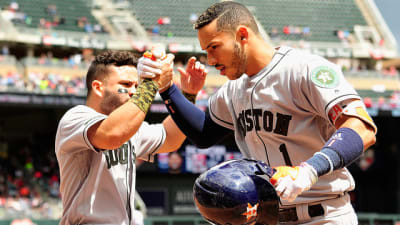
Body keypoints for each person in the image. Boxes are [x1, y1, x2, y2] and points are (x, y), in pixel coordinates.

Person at [138, 1, 377, 224]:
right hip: (263, 217)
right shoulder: (233, 89)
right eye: (205, 51)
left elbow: (361, 127)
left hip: (323, 214)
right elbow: (203, 134)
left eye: (214, 47)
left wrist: (310, 170)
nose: (210, 59)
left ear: (242, 35)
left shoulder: (304, 69)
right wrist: (167, 89)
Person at [55, 50, 202, 225]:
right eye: (126, 84)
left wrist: (187, 96)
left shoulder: (130, 127)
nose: (133, 91)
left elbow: (170, 138)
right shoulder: (76, 117)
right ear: (98, 87)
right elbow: (112, 135)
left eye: (136, 85)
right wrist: (150, 85)